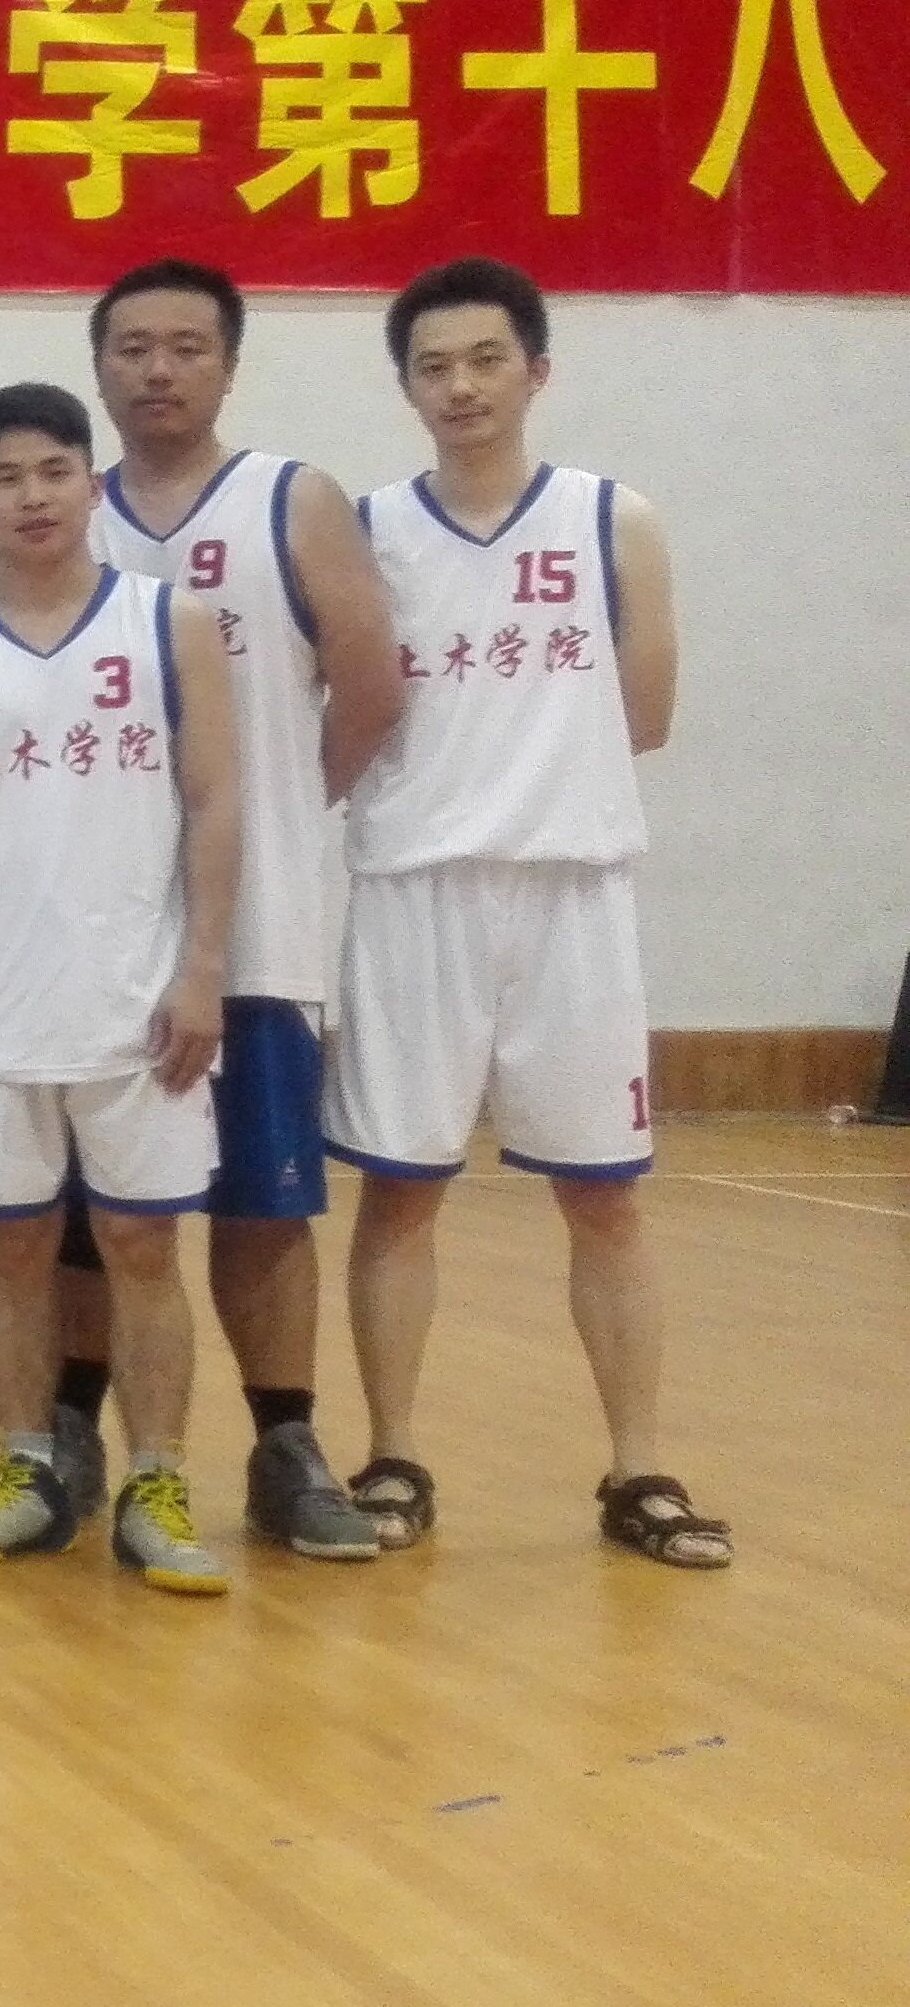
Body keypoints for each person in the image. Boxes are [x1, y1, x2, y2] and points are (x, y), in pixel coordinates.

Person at [327, 259, 725, 1568]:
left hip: (570, 889)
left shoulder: (613, 521)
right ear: (405, 388)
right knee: (399, 1193)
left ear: (536, 371)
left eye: (486, 359)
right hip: (414, 893)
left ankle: (639, 1469)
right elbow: (343, 706)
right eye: (433, 366)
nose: (460, 386)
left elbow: (645, 714)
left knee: (604, 1199)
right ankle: (392, 1454)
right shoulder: (366, 531)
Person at [53, 258, 404, 1561]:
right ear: (99, 368)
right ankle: (71, 1430)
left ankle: (285, 1447)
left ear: (228, 364)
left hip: (253, 934)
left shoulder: (289, 500)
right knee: (90, 1214)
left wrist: (282, 814)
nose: (157, 369)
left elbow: (371, 685)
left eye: (186, 346)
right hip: (88, 939)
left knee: (262, 1206)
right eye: (132, 348)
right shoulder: (61, 510)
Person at [0, 383, 237, 1595]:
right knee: (14, 1243)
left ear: (90, 485)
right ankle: (25, 1469)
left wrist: (202, 969)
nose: (30, 497)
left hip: (136, 1002)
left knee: (141, 1240)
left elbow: (213, 804)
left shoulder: (167, 624)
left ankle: (158, 1482)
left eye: (51, 472)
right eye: (5, 478)